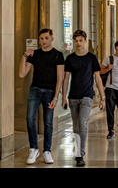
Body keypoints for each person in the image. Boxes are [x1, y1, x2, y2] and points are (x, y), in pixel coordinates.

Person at [18, 28, 65, 165]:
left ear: (51, 38)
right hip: (35, 90)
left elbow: (60, 78)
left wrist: (56, 97)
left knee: (48, 122)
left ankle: (46, 151)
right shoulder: (35, 54)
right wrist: (24, 56)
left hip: (50, 92)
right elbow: (22, 74)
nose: (43, 41)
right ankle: (33, 148)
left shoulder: (58, 55)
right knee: (30, 118)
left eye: (46, 38)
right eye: (41, 39)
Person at [61, 29, 105, 167]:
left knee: (83, 123)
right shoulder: (70, 58)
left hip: (87, 96)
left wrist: (102, 97)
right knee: (75, 127)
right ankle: (79, 149)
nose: (78, 43)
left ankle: (80, 153)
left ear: (85, 41)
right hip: (73, 97)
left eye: (81, 40)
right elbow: (66, 78)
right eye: (76, 41)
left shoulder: (92, 58)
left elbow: (97, 78)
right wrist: (64, 97)